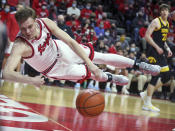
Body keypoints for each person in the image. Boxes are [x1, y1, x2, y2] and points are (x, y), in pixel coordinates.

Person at [3, 7, 161, 88]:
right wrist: (30, 80)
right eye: (23, 29)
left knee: (98, 57)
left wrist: (91, 63)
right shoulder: (20, 45)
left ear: (36, 20)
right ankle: (111, 78)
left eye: (30, 26)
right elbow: (6, 73)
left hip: (61, 49)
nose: (28, 32)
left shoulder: (45, 22)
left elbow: (71, 42)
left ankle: (140, 65)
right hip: (53, 69)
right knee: (95, 75)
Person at [140, 4, 172, 112]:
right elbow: (147, 36)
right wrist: (157, 47)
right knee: (155, 75)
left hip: (161, 51)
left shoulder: (167, 23)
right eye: (162, 10)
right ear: (160, 12)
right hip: (153, 51)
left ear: (168, 12)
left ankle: (146, 93)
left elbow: (163, 40)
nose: (164, 12)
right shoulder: (156, 21)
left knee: (167, 76)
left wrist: (167, 48)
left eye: (166, 10)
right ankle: (147, 103)